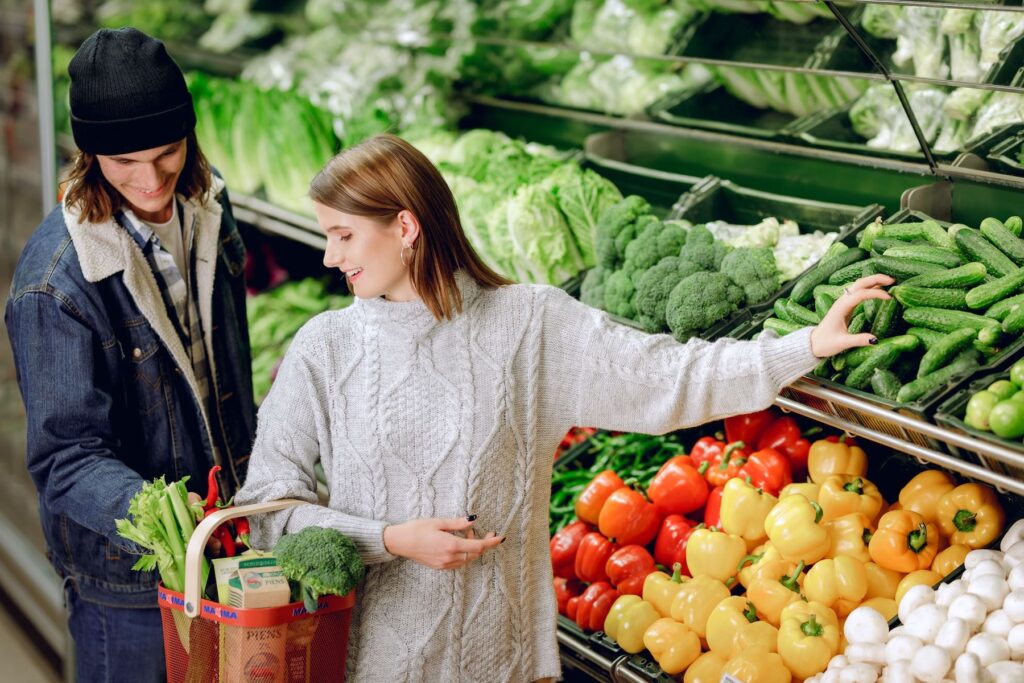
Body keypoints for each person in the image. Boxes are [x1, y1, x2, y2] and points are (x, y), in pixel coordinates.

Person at [235, 133, 892, 683]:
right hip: (370, 665)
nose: (329, 255)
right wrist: (388, 539)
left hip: (504, 661)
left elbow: (671, 376)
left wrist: (803, 345)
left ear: (404, 226)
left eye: (344, 235)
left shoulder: (528, 323)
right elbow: (265, 513)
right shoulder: (325, 346)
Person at [5, 28, 256, 682]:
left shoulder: (208, 208)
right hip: (130, 583)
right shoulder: (54, 284)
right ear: (88, 155)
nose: (150, 181)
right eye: (123, 164)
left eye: (168, 153)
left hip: (232, 542)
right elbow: (65, 459)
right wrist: (174, 523)